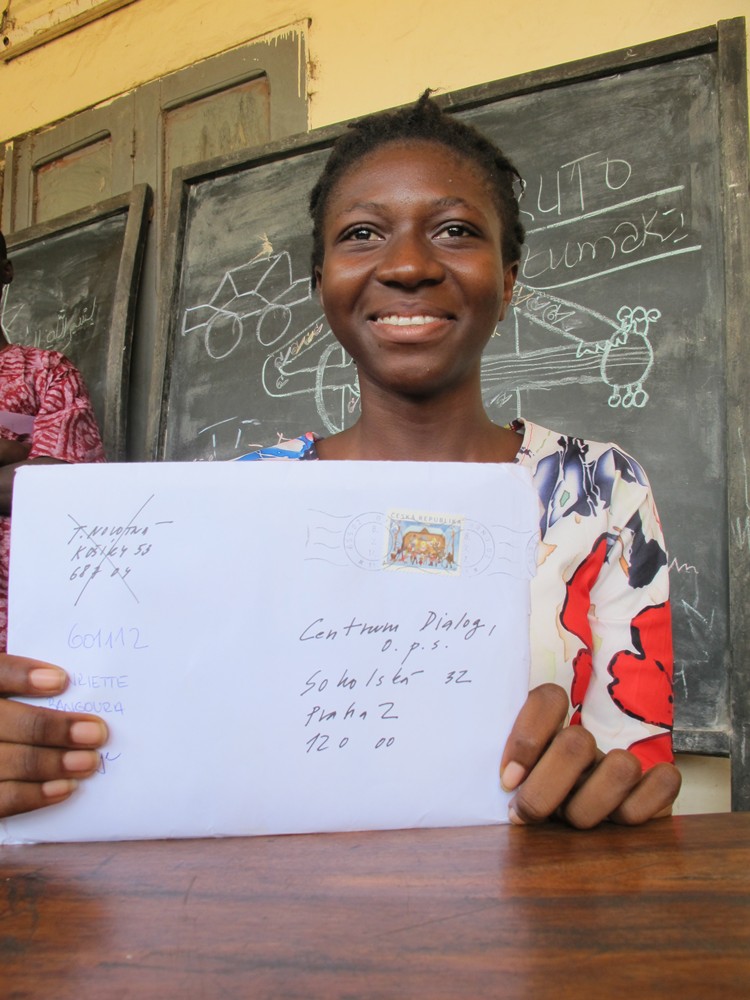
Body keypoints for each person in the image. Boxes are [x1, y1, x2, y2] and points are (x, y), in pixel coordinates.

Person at [0, 95, 681, 827]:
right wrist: (42, 747)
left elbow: (632, 760)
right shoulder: (233, 502)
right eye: (362, 234)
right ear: (320, 281)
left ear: (509, 279)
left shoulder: (601, 490)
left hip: (526, 888)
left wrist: (609, 797)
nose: (410, 265)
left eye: (455, 230)